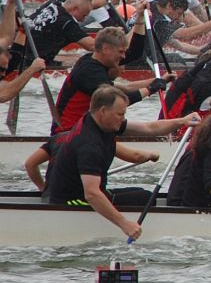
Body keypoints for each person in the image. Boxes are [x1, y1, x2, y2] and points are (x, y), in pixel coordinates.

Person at [43, 87, 156, 240]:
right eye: (120, 114)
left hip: (74, 194)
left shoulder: (94, 121)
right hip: (72, 202)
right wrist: (124, 224)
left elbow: (149, 129)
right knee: (147, 198)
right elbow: (92, 194)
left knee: (141, 193)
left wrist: (182, 121)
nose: (123, 119)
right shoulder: (89, 145)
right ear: (103, 111)